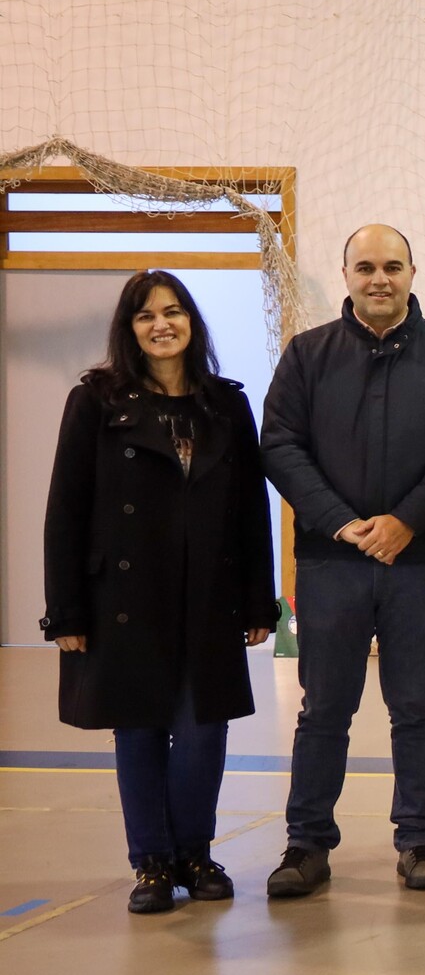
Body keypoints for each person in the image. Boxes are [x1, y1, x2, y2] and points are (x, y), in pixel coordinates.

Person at [261, 225, 425, 898]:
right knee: (323, 708)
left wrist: (405, 521)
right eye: (366, 267)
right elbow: (279, 444)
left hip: (418, 565)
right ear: (347, 274)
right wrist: (340, 522)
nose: (379, 277)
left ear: (413, 272)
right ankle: (307, 845)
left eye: (392, 266)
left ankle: (418, 840)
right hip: (331, 565)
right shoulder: (307, 356)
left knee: (415, 705)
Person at [42, 272, 278, 914]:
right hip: (122, 597)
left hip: (210, 595)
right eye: (145, 316)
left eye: (173, 312)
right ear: (130, 329)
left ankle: (194, 853)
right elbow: (65, 508)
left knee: (204, 729)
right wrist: (64, 610)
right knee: (139, 729)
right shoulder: (96, 400)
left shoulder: (226, 404)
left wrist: (263, 601)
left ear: (192, 323)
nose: (161, 324)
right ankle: (150, 864)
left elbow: (250, 509)